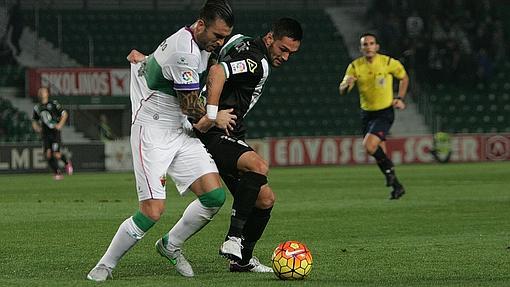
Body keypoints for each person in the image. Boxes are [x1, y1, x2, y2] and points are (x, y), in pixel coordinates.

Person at [86, 0, 234, 281]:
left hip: (178, 130)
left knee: (214, 197)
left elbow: (159, 65)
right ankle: (105, 265)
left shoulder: (197, 43)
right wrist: (215, 116)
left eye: (224, 36)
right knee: (152, 210)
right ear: (200, 25)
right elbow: (191, 107)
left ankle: (171, 245)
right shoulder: (185, 51)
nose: (220, 41)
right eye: (217, 35)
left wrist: (144, 61)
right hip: (152, 131)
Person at [194, 17, 303, 272]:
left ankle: (242, 260)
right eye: (283, 49)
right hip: (215, 132)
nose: (285, 57)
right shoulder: (258, 62)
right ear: (269, 39)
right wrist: (211, 115)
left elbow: (212, 56)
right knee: (259, 166)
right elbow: (217, 71)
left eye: (291, 53)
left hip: (229, 132)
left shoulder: (239, 41)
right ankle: (233, 239)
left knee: (265, 200)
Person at [338, 33, 408, 200]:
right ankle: (397, 186)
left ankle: (391, 171)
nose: (369, 47)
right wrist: (346, 85)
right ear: (361, 48)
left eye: (371, 43)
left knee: (369, 146)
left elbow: (404, 78)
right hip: (367, 114)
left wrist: (400, 98)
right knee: (379, 153)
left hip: (384, 112)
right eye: (365, 44)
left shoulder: (387, 62)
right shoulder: (355, 66)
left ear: (376, 46)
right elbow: (342, 90)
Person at [32, 87, 73, 180]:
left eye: (43, 91)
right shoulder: (37, 107)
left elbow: (64, 114)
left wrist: (60, 125)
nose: (41, 93)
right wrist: (37, 128)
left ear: (47, 94)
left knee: (56, 154)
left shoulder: (53, 104)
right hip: (45, 134)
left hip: (54, 132)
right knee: (47, 154)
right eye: (40, 91)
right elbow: (34, 120)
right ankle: (57, 173)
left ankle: (67, 162)